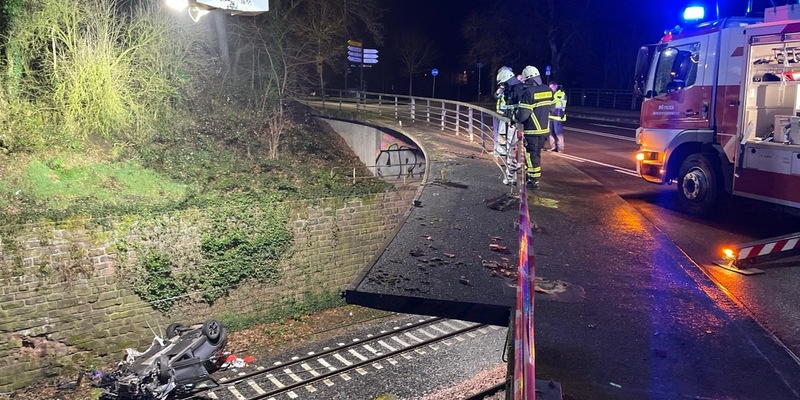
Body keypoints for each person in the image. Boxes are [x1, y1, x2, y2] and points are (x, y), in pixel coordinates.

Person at [515, 65, 553, 189]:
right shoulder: (548, 90)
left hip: (532, 130)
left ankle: (533, 180)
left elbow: (523, 115)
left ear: (528, 79)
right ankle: (534, 178)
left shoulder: (528, 92)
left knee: (531, 155)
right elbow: (552, 108)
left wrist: (514, 117)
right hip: (544, 130)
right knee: (537, 154)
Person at [494, 66, 524, 185]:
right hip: (512, 121)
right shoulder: (511, 88)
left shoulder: (518, 89)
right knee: (511, 148)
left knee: (513, 148)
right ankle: (510, 175)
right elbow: (499, 98)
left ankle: (512, 175)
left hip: (517, 123)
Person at [548, 81, 567, 152]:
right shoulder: (550, 94)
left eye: (552, 87)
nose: (551, 88)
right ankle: (553, 147)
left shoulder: (561, 93)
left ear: (556, 86)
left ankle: (560, 148)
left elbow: (560, 103)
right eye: (550, 87)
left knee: (558, 132)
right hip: (550, 115)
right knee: (551, 132)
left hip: (557, 116)